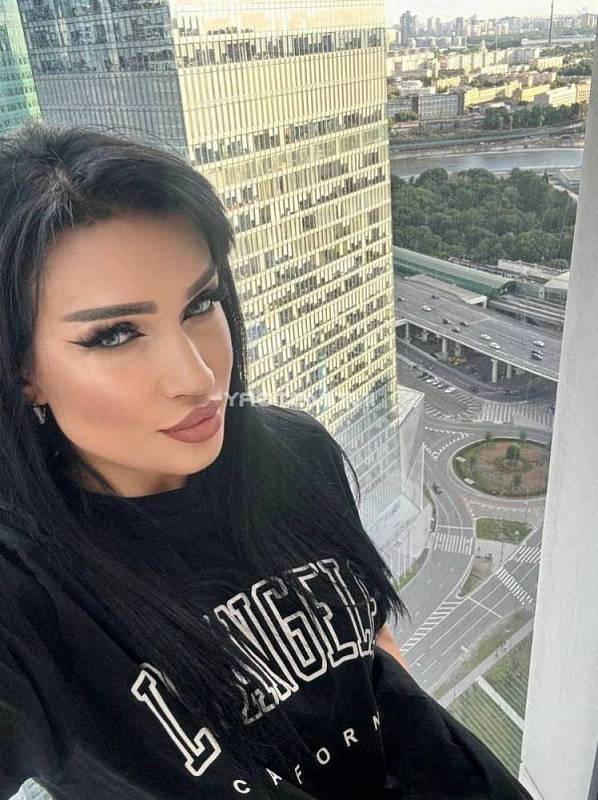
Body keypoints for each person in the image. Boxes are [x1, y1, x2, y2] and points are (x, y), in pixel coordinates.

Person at [0, 121, 533, 800]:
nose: (197, 377)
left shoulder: (291, 450)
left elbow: (366, 646)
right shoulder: (25, 592)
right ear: (24, 371)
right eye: (115, 335)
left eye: (201, 304)